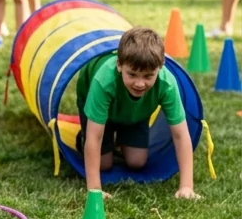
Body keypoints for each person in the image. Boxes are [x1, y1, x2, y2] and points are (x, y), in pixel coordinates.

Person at [77, 27, 198, 198]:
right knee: (103, 164)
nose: (140, 83)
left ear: (161, 66)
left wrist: (187, 186)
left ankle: (120, 137)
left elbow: (181, 135)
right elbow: (94, 137)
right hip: (97, 101)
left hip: (136, 113)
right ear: (119, 65)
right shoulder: (104, 80)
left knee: (137, 162)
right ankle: (82, 139)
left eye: (148, 76)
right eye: (132, 74)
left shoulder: (167, 84)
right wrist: (95, 189)